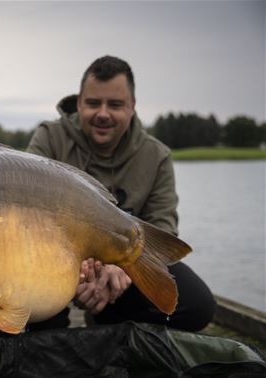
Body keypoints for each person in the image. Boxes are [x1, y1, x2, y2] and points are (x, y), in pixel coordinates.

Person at [27, 55, 215, 332]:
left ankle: (113, 328)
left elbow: (163, 225)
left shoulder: (157, 156)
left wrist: (122, 269)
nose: (103, 113)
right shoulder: (50, 138)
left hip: (123, 270)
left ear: (132, 107)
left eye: (115, 105)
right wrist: (80, 270)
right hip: (54, 260)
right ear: (79, 103)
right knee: (31, 303)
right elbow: (26, 210)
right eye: (93, 103)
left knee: (198, 306)